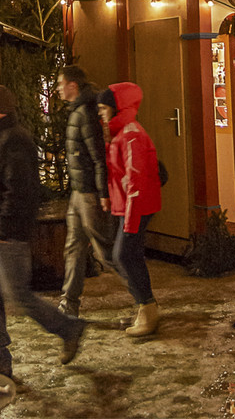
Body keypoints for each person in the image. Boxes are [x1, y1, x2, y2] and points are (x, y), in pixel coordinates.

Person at [0, 84, 87, 377]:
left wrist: (3, 230)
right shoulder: (0, 138)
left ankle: (68, 327)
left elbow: (20, 191)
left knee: (18, 296)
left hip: (3, 234)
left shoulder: (15, 141)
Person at [55, 65, 124, 320]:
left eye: (61, 83)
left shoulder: (84, 113)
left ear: (73, 85)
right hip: (78, 191)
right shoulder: (78, 111)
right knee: (73, 247)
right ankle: (68, 303)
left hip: (88, 194)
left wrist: (102, 192)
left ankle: (143, 297)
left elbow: (97, 157)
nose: (59, 88)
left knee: (104, 251)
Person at [103, 82, 163, 338]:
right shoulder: (119, 132)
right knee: (128, 255)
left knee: (124, 254)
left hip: (136, 206)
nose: (100, 113)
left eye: (104, 108)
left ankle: (148, 309)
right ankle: (145, 307)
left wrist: (130, 219)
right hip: (126, 205)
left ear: (117, 108)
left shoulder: (130, 135)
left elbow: (135, 182)